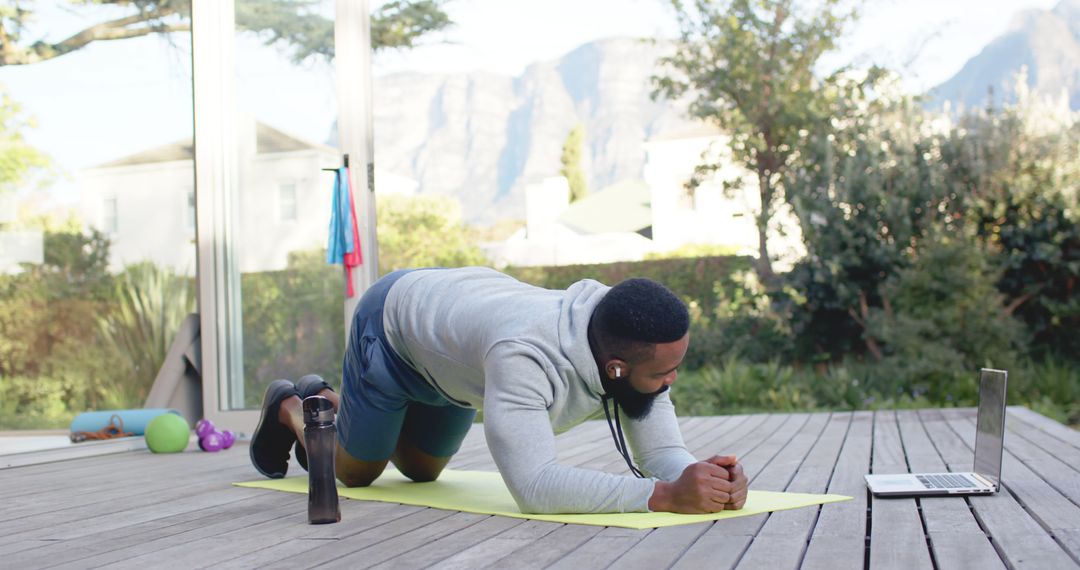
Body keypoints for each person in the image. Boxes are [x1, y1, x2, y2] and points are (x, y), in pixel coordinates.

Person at [249, 267, 748, 514]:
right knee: (358, 472)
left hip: (454, 361)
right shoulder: (522, 358)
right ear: (615, 368)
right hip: (393, 328)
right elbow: (533, 487)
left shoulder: (626, 340)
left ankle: (339, 406)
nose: (671, 382)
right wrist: (661, 496)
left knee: (422, 473)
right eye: (664, 374)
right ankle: (295, 408)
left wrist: (702, 478)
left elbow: (660, 449)